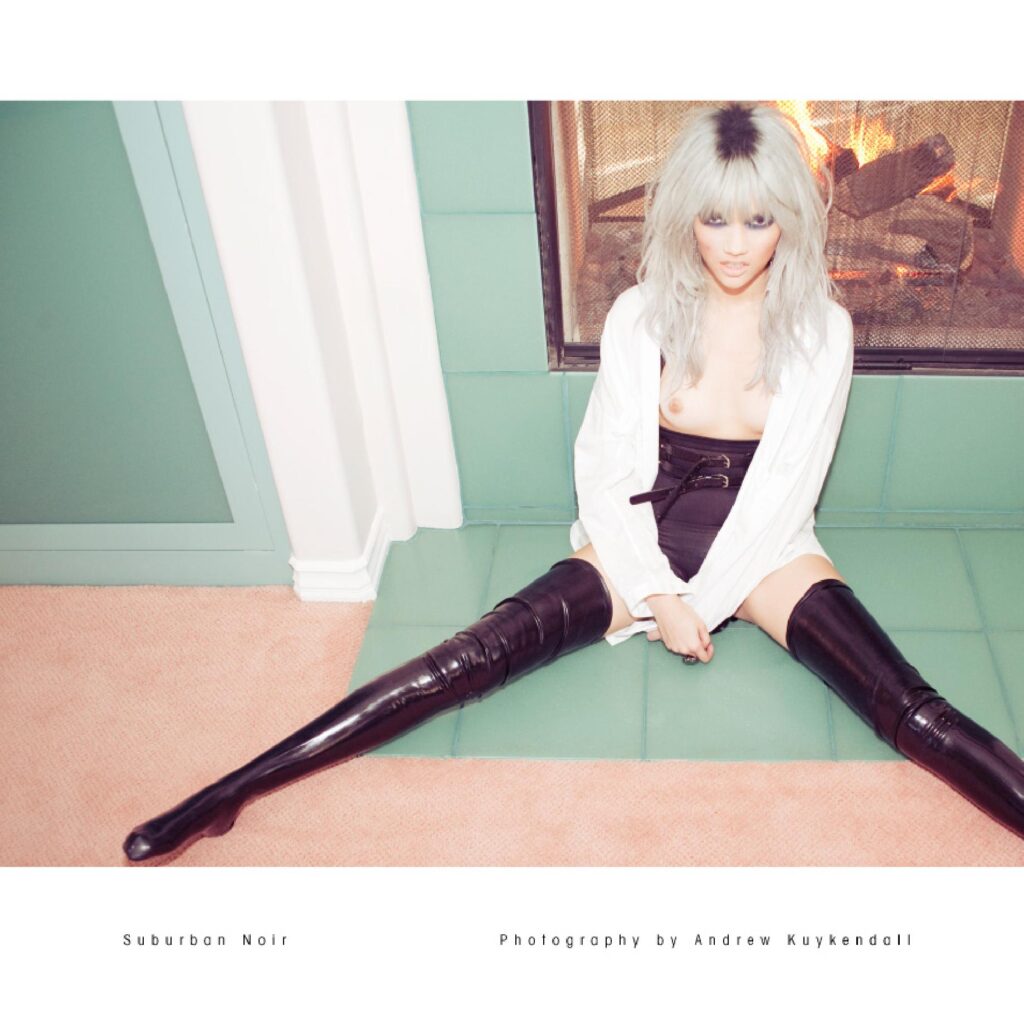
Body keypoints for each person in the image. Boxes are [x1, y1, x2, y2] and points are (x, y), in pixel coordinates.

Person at [122, 102, 1024, 863]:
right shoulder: (642, 315)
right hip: (642, 526)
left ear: (790, 215)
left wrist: (701, 603)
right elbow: (606, 469)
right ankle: (228, 791)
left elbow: (785, 491)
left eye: (758, 220)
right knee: (464, 660)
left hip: (764, 545)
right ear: (686, 216)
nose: (735, 244)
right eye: (715, 219)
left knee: (912, 709)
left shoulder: (823, 331)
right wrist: (656, 592)